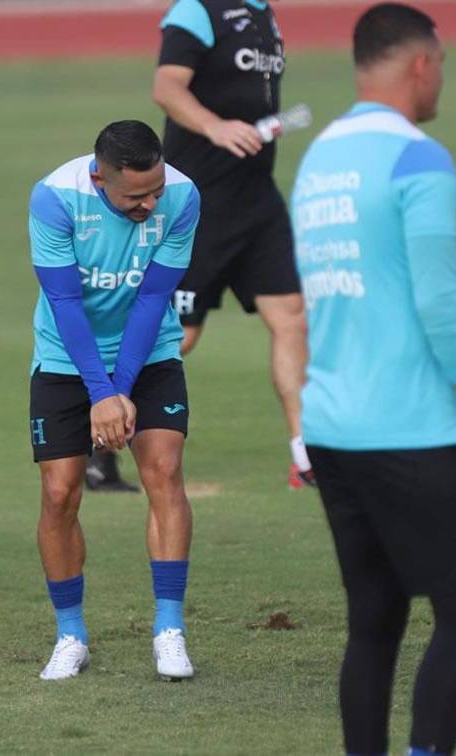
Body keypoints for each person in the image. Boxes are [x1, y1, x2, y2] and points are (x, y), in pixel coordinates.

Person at [290, 4, 456, 754]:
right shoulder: (418, 157)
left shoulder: (318, 158)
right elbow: (438, 302)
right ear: (422, 62)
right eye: (440, 64)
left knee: (375, 619)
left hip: (331, 427)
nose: (441, 77)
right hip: (407, 427)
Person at [28, 121, 200, 680]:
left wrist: (120, 389)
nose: (150, 203)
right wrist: (99, 392)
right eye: (135, 196)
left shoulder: (182, 196)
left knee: (165, 471)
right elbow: (63, 300)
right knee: (59, 494)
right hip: (64, 354)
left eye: (155, 189)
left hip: (149, 352)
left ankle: (169, 629)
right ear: (101, 177)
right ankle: (71, 634)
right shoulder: (55, 198)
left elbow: (153, 297)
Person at [152, 0, 312, 488]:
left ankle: (307, 458)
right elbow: (166, 87)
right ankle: (99, 435)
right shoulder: (197, 10)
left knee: (291, 317)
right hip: (200, 198)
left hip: (256, 197)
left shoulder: (265, 14)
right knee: (180, 335)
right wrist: (215, 126)